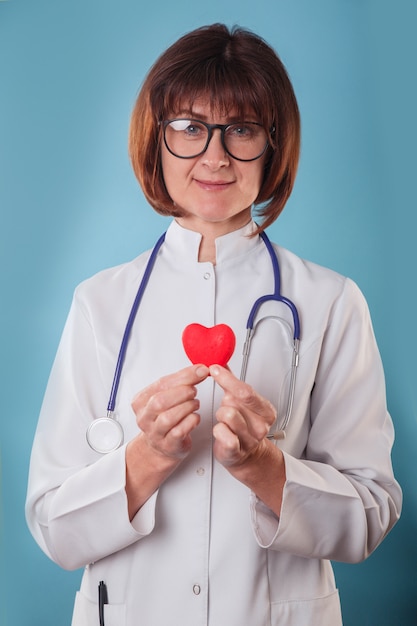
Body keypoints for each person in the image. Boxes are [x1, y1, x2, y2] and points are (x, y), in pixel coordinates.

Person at [26, 23, 402, 626]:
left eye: (243, 129)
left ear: (273, 145)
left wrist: (262, 466)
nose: (216, 155)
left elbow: (370, 516)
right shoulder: (99, 302)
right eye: (190, 127)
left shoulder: (330, 302)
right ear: (158, 140)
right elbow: (54, 529)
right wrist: (147, 456)